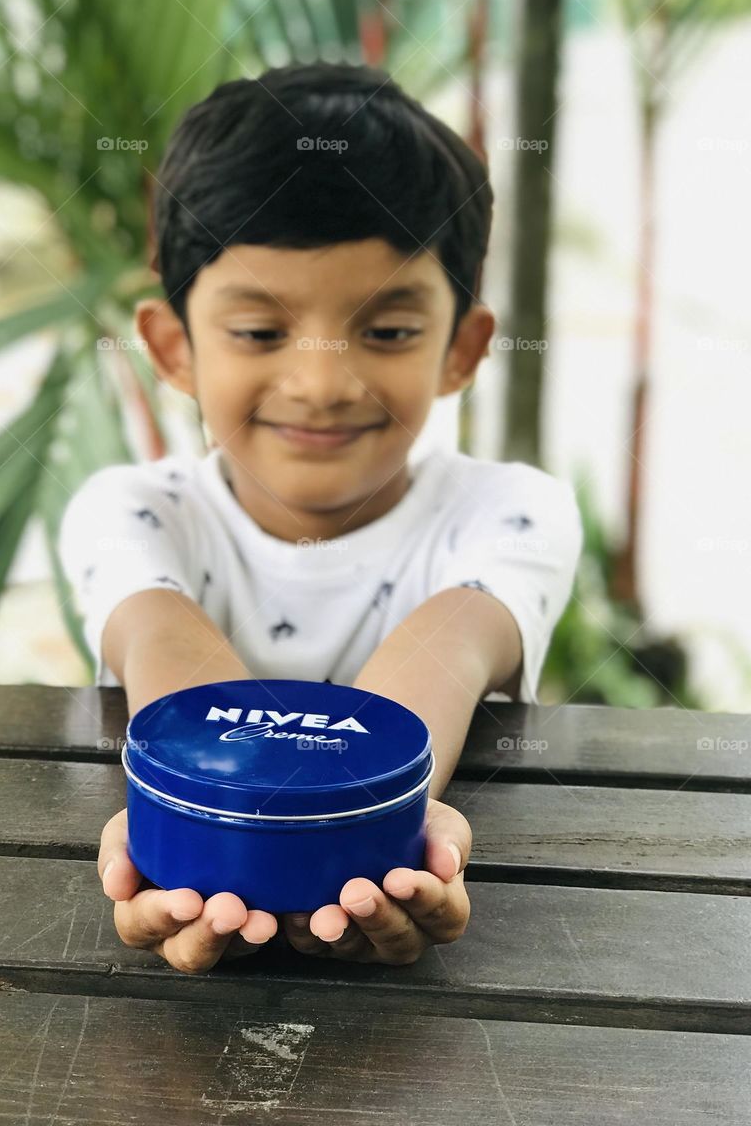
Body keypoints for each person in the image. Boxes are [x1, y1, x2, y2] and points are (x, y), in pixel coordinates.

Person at [59, 61, 583, 975]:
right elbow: (169, 665)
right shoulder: (131, 510)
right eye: (261, 332)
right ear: (173, 348)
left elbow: (447, 647)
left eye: (386, 332)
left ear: (461, 349)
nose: (323, 382)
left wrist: (394, 821)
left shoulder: (511, 513)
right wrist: (200, 823)